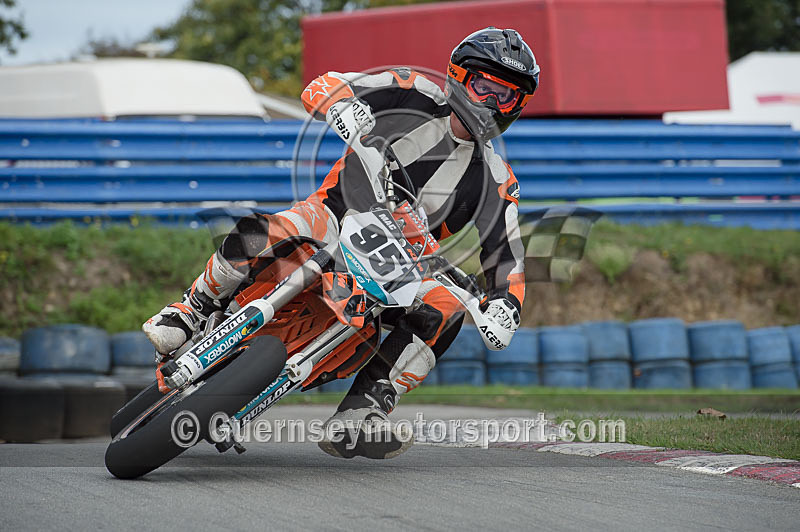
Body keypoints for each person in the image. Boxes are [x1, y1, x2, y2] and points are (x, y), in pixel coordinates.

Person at [143, 27, 539, 459]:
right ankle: (192, 308)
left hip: (403, 263)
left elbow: (508, 257)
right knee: (263, 228)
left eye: (507, 96)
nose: (492, 104)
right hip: (333, 216)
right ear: (459, 75)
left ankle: (364, 412)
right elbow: (325, 84)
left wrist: (506, 305)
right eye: (486, 87)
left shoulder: (497, 179)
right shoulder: (412, 90)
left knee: (447, 309)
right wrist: (342, 106)